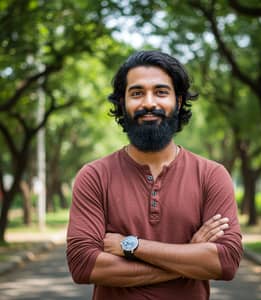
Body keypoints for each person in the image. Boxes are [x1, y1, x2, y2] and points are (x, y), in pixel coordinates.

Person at [66, 50, 243, 300]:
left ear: (178, 102)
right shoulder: (94, 176)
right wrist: (189, 256)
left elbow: (225, 263)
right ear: (122, 104)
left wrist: (132, 246)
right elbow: (84, 265)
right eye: (137, 93)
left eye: (161, 92)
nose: (149, 102)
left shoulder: (212, 175)